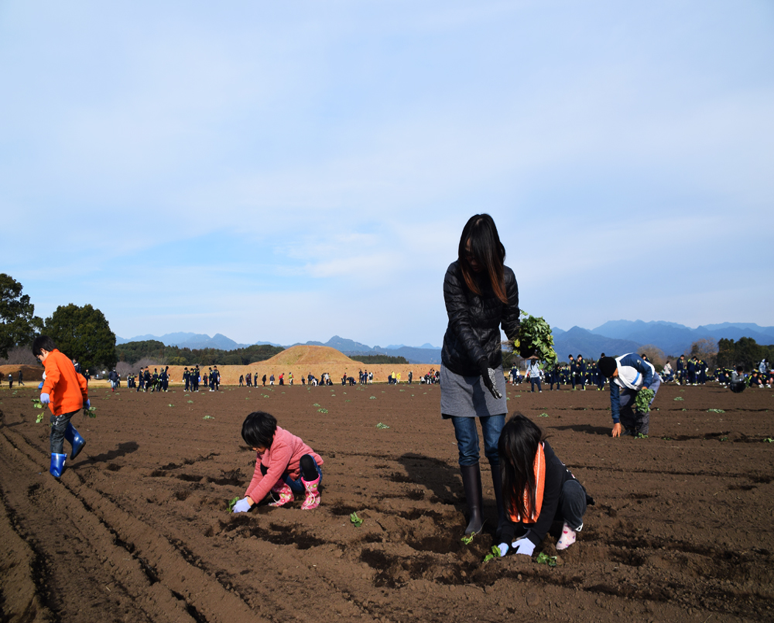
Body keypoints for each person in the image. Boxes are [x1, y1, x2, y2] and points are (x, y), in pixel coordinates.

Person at [441, 214, 520, 535]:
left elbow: (511, 321)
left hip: (491, 367)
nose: (469, 259)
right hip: (458, 369)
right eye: (465, 252)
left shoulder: (506, 278)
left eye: (475, 253)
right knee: (468, 445)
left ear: (489, 251)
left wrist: (524, 342)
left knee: (496, 444)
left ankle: (504, 513)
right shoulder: (454, 274)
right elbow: (460, 323)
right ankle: (475, 515)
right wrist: (482, 364)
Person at [493, 414, 592, 557]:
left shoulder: (552, 466)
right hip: (541, 507)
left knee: (570, 491)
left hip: (563, 503)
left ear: (527, 452)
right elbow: (511, 509)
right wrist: (504, 540)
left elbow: (549, 507)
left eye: (514, 458)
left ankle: (571, 526)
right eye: (508, 458)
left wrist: (532, 540)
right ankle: (533, 525)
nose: (511, 463)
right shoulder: (512, 467)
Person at [232, 411, 324, 513]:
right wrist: (248, 497)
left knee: (306, 460)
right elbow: (258, 474)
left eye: (256, 445)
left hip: (307, 476)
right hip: (291, 480)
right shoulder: (264, 445)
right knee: (264, 466)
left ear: (265, 438)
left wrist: (250, 501)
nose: (254, 448)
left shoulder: (282, 444)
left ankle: (313, 497)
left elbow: (272, 476)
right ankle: (286, 495)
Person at [32, 336, 89, 478]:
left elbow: (53, 375)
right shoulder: (64, 358)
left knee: (56, 433)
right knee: (55, 419)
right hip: (76, 401)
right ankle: (76, 440)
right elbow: (81, 379)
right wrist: (85, 399)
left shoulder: (51, 359)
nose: (41, 361)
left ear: (43, 351)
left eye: (39, 357)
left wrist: (45, 391)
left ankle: (56, 470)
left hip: (66, 403)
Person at [598, 353, 662, 437]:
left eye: (611, 374)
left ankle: (641, 432)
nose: (611, 377)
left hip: (650, 380)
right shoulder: (612, 378)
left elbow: (648, 370)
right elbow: (614, 398)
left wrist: (645, 386)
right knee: (621, 403)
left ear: (614, 368)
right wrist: (616, 421)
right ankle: (630, 428)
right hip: (634, 386)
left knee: (642, 405)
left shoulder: (630, 360)